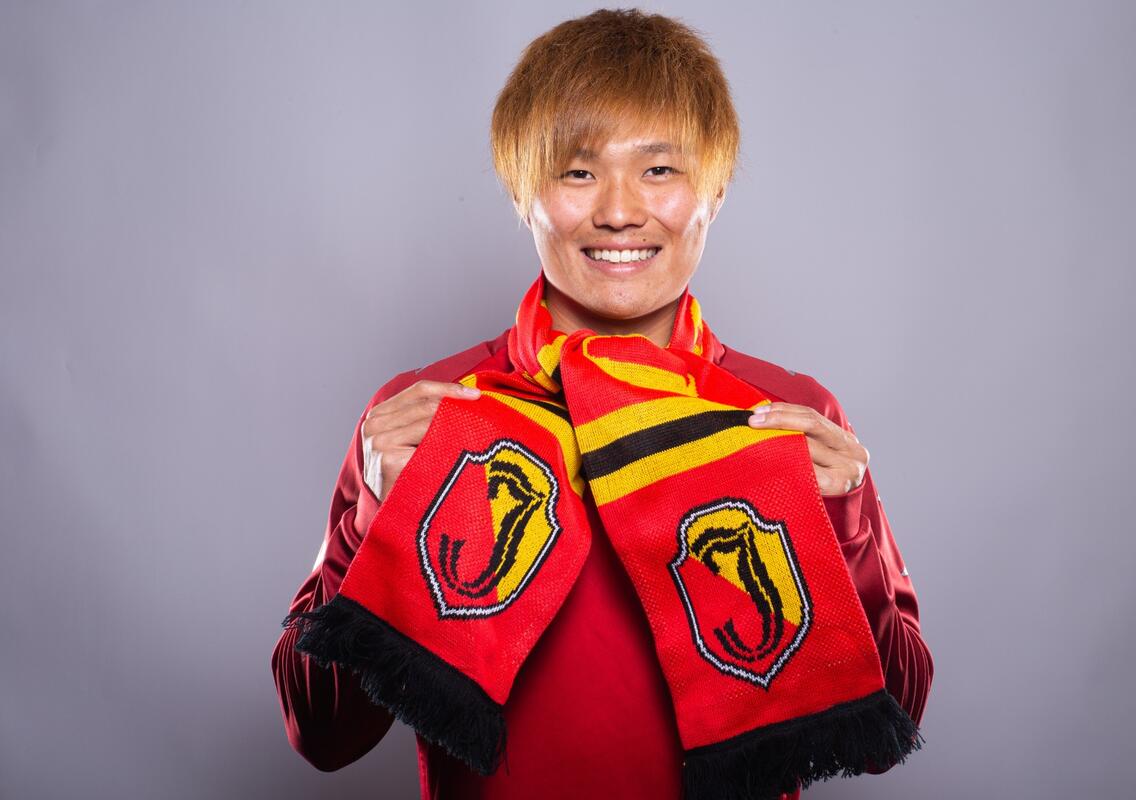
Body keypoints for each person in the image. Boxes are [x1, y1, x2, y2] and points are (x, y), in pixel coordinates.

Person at [271, 8, 932, 799]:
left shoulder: (783, 415)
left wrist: (845, 524)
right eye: (578, 173)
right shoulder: (434, 412)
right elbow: (320, 732)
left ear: (715, 190)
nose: (619, 211)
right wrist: (371, 521)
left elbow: (893, 722)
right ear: (522, 193)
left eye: (660, 170)